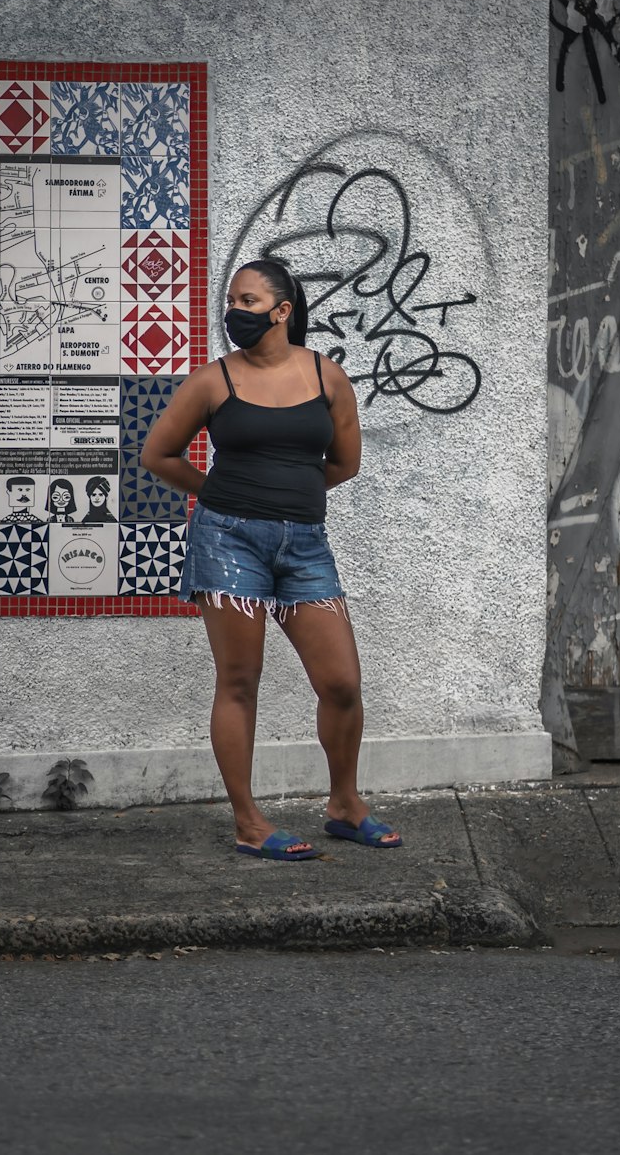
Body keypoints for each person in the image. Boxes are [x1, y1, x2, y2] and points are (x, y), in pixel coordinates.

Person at [141, 258, 401, 861]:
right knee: (239, 682)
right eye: (233, 300)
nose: (236, 311)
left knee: (340, 683)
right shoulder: (214, 381)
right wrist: (224, 496)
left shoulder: (328, 376)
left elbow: (344, 464)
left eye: (250, 301)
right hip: (227, 542)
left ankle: (344, 804)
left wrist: (289, 495)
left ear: (283, 312)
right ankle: (248, 821)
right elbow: (160, 453)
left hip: (305, 545)